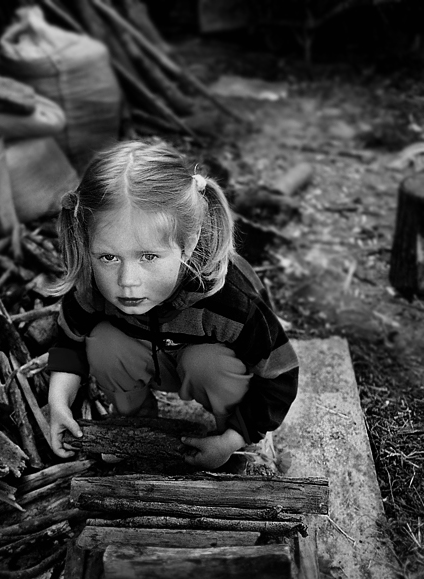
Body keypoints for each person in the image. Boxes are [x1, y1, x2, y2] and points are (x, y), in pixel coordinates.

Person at [47, 139, 299, 470]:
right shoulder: (94, 286)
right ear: (86, 241)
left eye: (149, 256)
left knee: (207, 364)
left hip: (208, 368)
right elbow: (68, 340)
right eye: (108, 257)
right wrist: (57, 404)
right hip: (148, 354)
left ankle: (233, 432)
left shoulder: (231, 300)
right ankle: (138, 421)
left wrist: (231, 440)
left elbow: (280, 377)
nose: (127, 281)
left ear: (189, 242)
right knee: (104, 344)